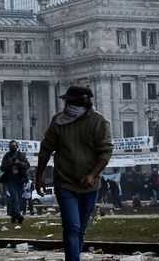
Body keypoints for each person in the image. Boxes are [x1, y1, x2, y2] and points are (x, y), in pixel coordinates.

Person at [35, 85, 113, 261]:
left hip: (90, 186)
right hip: (64, 182)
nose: (66, 106)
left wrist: (93, 175)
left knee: (80, 229)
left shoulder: (99, 122)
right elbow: (45, 148)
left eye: (69, 102)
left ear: (81, 103)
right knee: (72, 227)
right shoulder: (58, 121)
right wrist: (38, 176)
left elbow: (106, 151)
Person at [0, 139, 30, 224]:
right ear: (9, 148)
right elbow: (2, 168)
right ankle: (18, 215)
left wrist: (18, 163)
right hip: (11, 181)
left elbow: (28, 165)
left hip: (20, 180)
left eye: (14, 146)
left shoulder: (21, 155)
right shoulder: (7, 156)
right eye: (10, 147)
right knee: (15, 198)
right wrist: (9, 163)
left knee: (17, 199)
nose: (12, 148)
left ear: (17, 147)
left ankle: (13, 217)